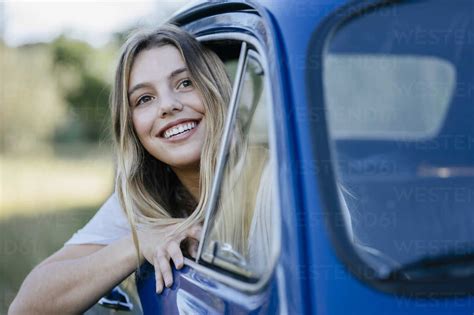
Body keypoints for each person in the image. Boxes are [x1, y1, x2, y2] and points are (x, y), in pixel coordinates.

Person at [8, 24, 237, 314]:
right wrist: (140, 242)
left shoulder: (272, 181)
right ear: (132, 129)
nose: (167, 106)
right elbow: (26, 308)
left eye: (185, 82)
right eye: (144, 99)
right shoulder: (142, 200)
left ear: (217, 87)